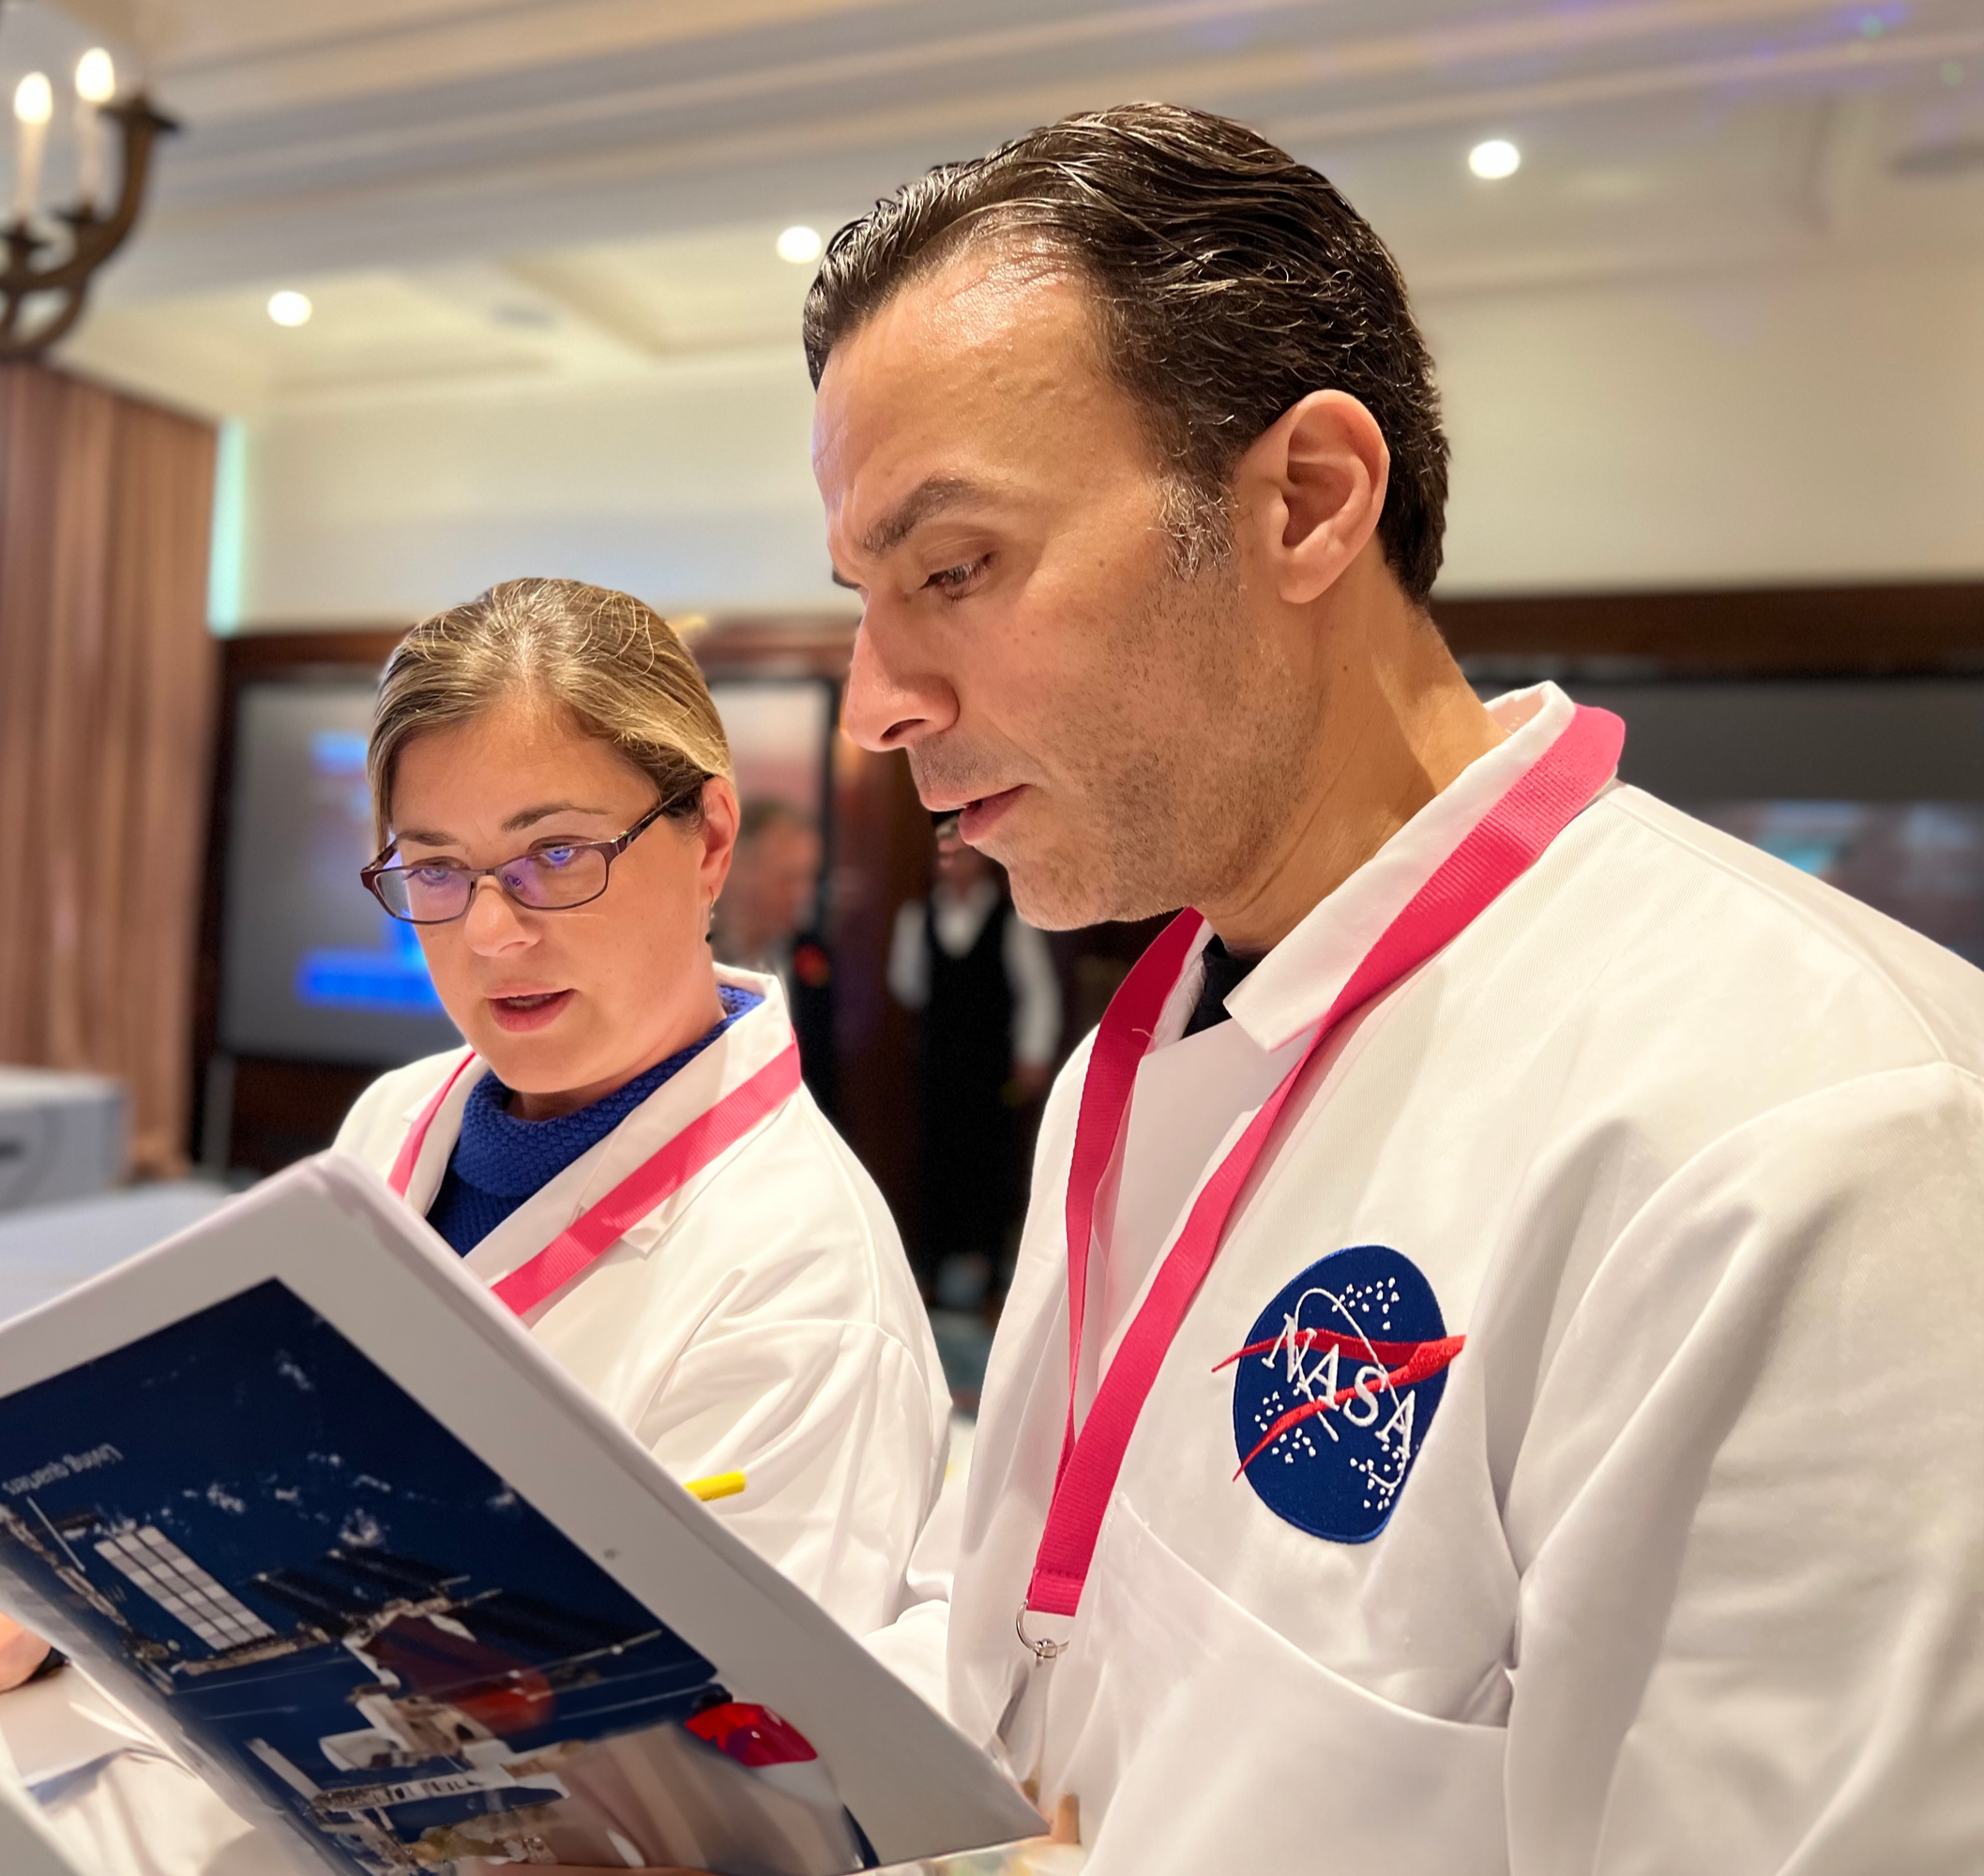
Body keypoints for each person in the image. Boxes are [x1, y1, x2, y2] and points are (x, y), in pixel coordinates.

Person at [809, 104, 1984, 1871]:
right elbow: (1066, 1657)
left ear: (1305, 501)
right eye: (862, 596)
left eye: (953, 569)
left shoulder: (1815, 1132)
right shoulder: (1141, 1052)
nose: (872, 701)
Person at [0, 578, 949, 1711]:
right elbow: (252, 1465)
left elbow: (752, 1785)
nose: (492, 933)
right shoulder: (397, 1121)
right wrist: (21, 1571)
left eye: (554, 853)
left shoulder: (802, 1289)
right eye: (437, 869)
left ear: (706, 838)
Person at [887, 816, 1060, 1307]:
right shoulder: (917, 917)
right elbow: (908, 983)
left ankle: (986, 1276)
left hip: (990, 1069)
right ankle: (934, 1271)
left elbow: (1038, 993)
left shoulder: (1011, 919)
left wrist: (1033, 1054)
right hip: (940, 1066)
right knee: (935, 1162)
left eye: (961, 855)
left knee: (988, 1165)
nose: (951, 866)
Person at [713, 796, 840, 1114]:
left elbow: (825, 1073)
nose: (803, 894)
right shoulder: (693, 952)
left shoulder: (812, 954)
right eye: (787, 879)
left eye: (808, 877)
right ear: (738, 869)